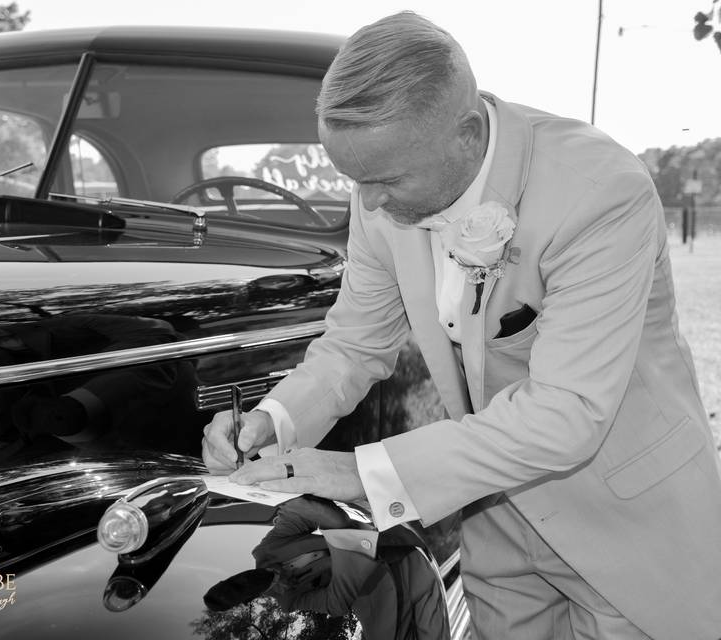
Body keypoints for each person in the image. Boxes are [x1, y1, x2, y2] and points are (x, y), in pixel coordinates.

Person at [202, 11, 721, 640]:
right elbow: (354, 343)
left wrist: (359, 474)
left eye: (385, 180)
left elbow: (567, 411)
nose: (366, 205)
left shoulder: (600, 192)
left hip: (624, 523)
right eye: (355, 181)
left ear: (467, 134)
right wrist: (273, 420)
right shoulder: (381, 192)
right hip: (491, 522)